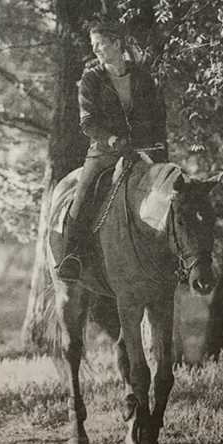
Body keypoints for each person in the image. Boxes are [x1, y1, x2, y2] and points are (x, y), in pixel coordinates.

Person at [56, 20, 168, 282]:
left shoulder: (142, 76)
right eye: (93, 47)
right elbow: (87, 122)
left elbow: (157, 114)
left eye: (100, 44)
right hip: (104, 151)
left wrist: (157, 143)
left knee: (175, 191)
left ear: (117, 44)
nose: (96, 51)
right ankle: (72, 256)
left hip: (144, 150)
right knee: (83, 194)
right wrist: (113, 140)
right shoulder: (91, 79)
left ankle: (178, 258)